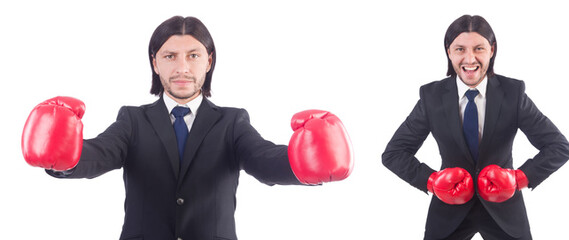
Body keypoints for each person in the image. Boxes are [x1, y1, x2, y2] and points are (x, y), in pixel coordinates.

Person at [20, 16, 354, 240]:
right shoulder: (132, 120)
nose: (182, 67)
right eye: (170, 56)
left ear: (209, 61)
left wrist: (305, 164)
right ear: (155, 62)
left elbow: (264, 159)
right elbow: (99, 154)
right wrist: (64, 156)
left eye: (193, 56)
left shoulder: (232, 122)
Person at [382, 15, 569, 240]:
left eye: (479, 48)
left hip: (504, 211)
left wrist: (519, 178)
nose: (469, 58)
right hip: (447, 212)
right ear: (449, 51)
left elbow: (559, 147)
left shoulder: (513, 93)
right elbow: (394, 154)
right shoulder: (431, 97)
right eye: (460, 49)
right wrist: (432, 181)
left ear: (491, 50)